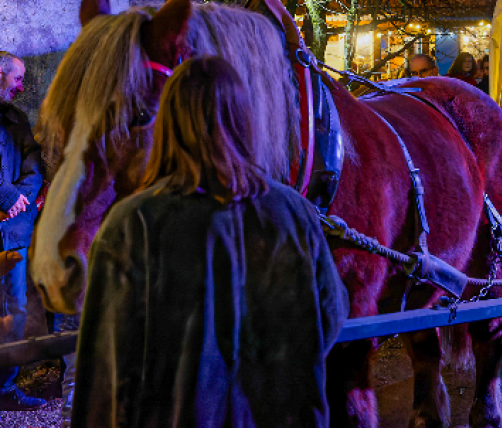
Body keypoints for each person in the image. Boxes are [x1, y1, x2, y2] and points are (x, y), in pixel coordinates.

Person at [71, 56, 348, 428]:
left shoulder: (132, 223)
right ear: (244, 121)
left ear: (168, 124)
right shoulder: (294, 212)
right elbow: (329, 315)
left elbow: (104, 363)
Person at [0, 51, 45, 411]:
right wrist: (6, 195)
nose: (22, 86)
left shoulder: (17, 119)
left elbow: (35, 164)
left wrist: (19, 200)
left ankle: (4, 389)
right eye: (17, 78)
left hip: (13, 233)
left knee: (14, 310)